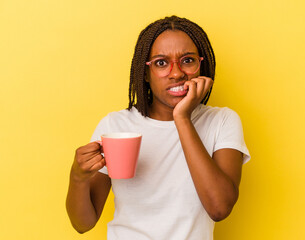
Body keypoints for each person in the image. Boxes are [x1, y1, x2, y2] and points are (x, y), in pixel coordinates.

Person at [66, 15, 250, 240]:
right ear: (145, 73)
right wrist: (77, 177)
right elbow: (83, 224)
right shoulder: (116, 125)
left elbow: (219, 208)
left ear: (202, 65)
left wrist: (182, 117)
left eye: (188, 60)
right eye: (161, 63)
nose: (176, 73)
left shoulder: (222, 121)